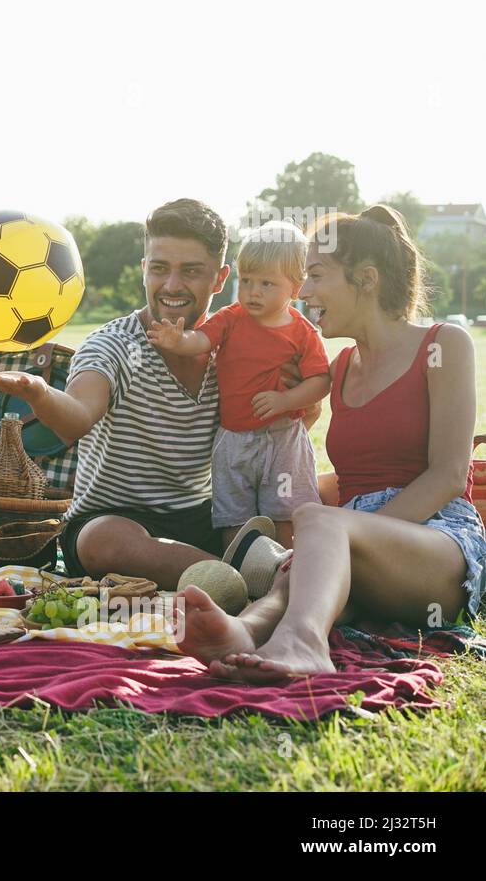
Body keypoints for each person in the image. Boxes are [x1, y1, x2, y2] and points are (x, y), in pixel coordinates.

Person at [177, 205, 486, 681]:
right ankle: (245, 632)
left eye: (316, 276)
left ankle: (304, 644)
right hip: (363, 542)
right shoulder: (339, 369)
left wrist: (343, 531)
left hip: (440, 545)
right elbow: (355, 478)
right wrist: (316, 512)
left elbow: (446, 476)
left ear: (366, 279)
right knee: (302, 557)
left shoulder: (445, 345)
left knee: (319, 528)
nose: (304, 292)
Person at [0, 198, 319, 589]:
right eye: (159, 269)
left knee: (315, 499)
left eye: (190, 271)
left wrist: (298, 400)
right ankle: (256, 578)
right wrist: (40, 393)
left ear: (219, 279)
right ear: (143, 270)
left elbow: (297, 422)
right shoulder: (114, 344)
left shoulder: (237, 346)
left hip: (204, 516)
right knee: (104, 543)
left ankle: (242, 575)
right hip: (116, 520)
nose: (172, 285)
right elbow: (78, 416)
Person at [146, 221, 330, 548]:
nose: (253, 292)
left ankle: (286, 571)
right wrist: (178, 340)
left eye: (266, 284)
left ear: (296, 287)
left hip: (282, 437)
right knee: (234, 516)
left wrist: (286, 401)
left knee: (286, 513)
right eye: (246, 281)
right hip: (233, 439)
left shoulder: (302, 332)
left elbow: (320, 381)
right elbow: (201, 340)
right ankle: (242, 572)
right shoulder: (232, 318)